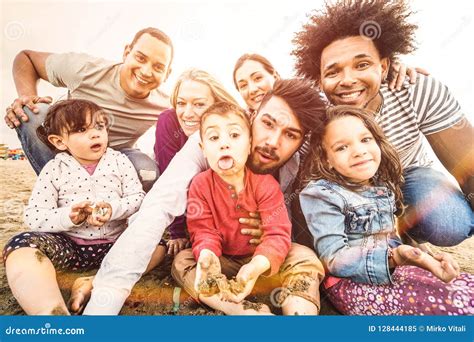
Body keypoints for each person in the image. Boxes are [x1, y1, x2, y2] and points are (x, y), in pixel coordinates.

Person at [82, 79, 326, 315]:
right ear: (252, 116)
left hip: (266, 256)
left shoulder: (298, 164)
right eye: (268, 124)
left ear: (301, 141)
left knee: (304, 257)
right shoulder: (209, 142)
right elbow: (158, 207)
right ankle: (248, 313)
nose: (272, 142)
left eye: (290, 135)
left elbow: (282, 229)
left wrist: (266, 237)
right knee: (183, 262)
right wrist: (107, 290)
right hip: (222, 254)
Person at [292, 0, 473, 246]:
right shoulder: (315, 116)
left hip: (408, 175)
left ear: (384, 65)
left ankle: (405, 228)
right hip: (349, 186)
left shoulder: (415, 89)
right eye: (333, 72)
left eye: (362, 65)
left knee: (450, 222)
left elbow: (468, 165)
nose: (348, 80)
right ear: (320, 80)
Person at [299, 105, 473, 315]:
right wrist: (394, 256)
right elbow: (334, 259)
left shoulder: (381, 183)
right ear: (326, 159)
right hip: (350, 284)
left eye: (365, 140)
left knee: (465, 288)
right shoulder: (322, 194)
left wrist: (425, 259)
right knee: (456, 305)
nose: (359, 151)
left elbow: (391, 238)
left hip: (397, 270)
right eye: (341, 147)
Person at [172, 102, 323, 315]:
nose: (224, 144)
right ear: (203, 149)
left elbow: (277, 233)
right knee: (182, 262)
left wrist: (256, 265)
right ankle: (242, 309)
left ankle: (299, 310)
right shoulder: (200, 185)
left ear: (249, 143)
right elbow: (203, 230)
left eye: (234, 135)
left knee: (304, 256)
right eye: (214, 138)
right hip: (223, 262)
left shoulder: (265, 184)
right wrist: (208, 255)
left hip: (264, 263)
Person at [2, 99, 146, 315]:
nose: (96, 134)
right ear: (59, 141)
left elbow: (138, 198)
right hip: (70, 247)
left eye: (99, 126)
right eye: (81, 129)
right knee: (21, 246)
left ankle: (93, 280)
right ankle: (51, 312)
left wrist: (112, 208)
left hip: (117, 248)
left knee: (157, 241)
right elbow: (34, 216)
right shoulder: (54, 169)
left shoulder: (120, 161)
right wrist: (67, 217)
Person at [4, 27, 174, 192]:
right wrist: (27, 96)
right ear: (127, 52)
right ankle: (60, 192)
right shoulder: (84, 69)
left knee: (147, 171)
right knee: (31, 113)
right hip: (69, 146)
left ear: (167, 74)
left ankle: (121, 214)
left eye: (158, 67)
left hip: (119, 154)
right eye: (141, 58)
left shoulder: (165, 105)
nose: (146, 71)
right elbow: (27, 58)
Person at [154, 68, 240, 256]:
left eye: (199, 104)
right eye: (181, 103)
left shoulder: (232, 127)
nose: (187, 113)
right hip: (176, 186)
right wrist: (177, 232)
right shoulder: (169, 121)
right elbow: (168, 173)